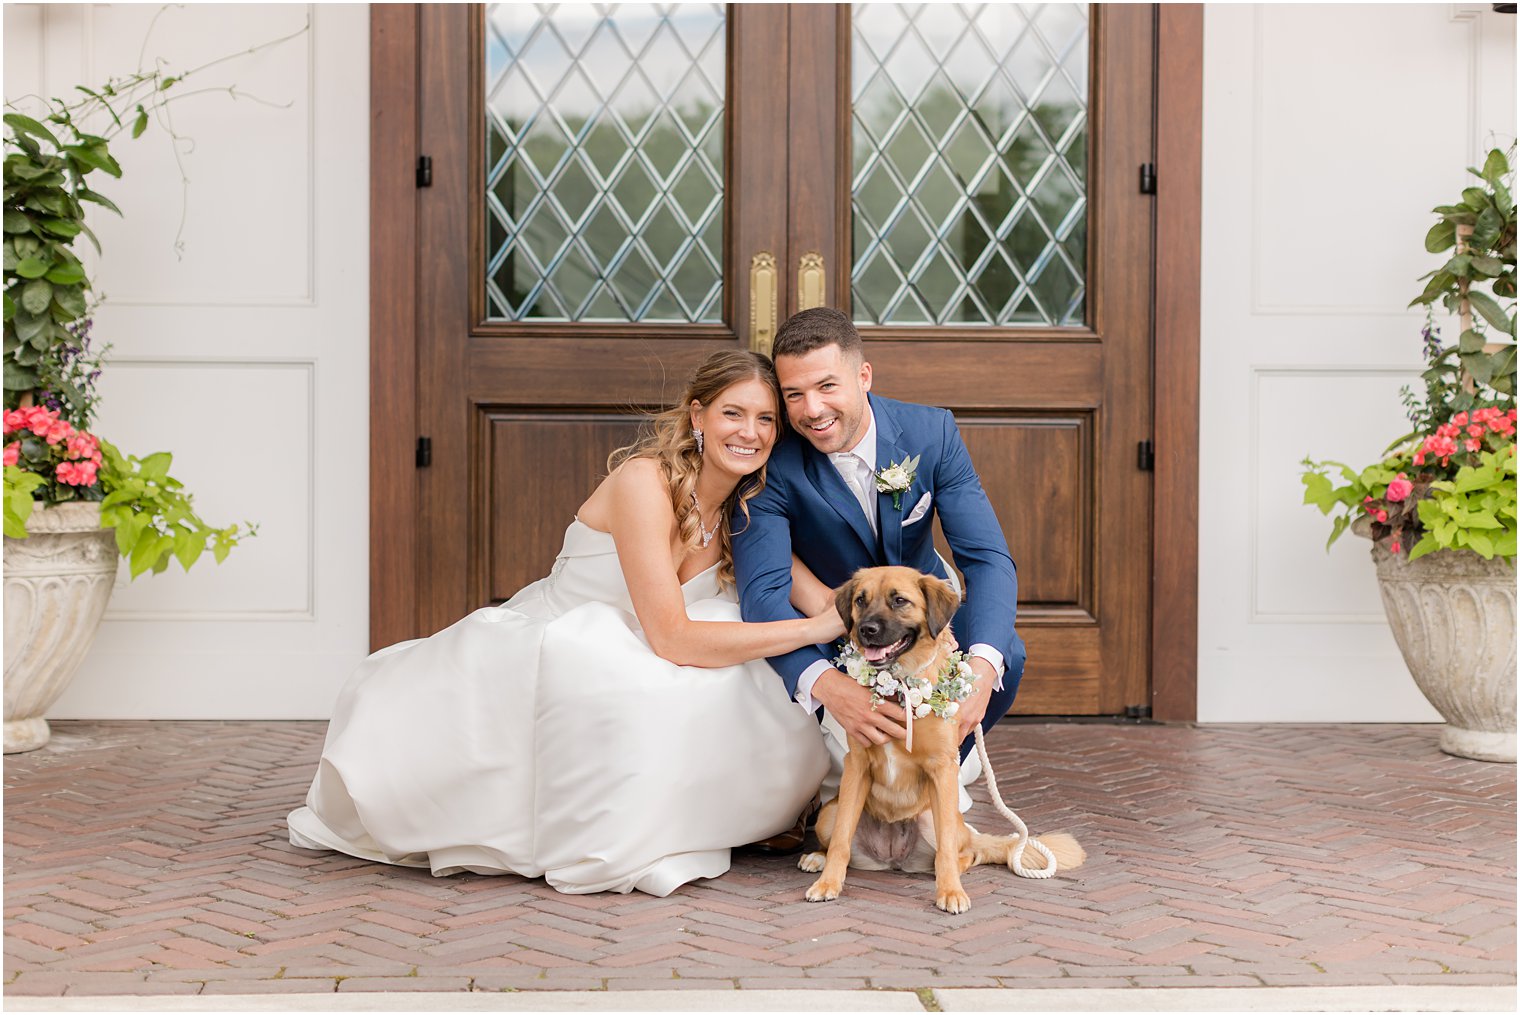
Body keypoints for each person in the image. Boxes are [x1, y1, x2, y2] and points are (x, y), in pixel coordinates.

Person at [287, 351, 838, 897]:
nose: (751, 432)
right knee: (621, 666)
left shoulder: (750, 506)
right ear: (697, 417)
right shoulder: (644, 481)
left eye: (766, 419)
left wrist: (898, 642)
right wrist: (808, 632)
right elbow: (671, 636)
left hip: (645, 647)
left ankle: (735, 812)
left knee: (741, 664)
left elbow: (829, 604)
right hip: (555, 640)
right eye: (733, 413)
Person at [733, 307, 1025, 842]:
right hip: (828, 616)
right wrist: (827, 686)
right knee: (795, 675)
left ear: (863, 376)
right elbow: (764, 593)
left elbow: (986, 557)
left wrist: (981, 669)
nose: (812, 410)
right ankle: (833, 783)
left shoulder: (931, 433)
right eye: (794, 394)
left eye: (827, 386)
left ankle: (923, 771)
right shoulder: (773, 461)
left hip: (910, 615)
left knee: (1006, 655)